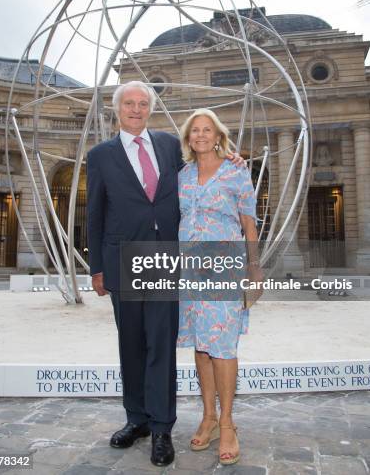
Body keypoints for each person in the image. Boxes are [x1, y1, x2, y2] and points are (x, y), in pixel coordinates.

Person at [87, 82, 245, 467]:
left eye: (143, 104)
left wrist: (233, 161)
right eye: (130, 104)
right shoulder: (100, 155)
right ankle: (136, 420)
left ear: (150, 109)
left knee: (160, 345)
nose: (137, 110)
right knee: (131, 345)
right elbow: (93, 212)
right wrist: (97, 268)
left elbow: (204, 166)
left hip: (165, 259)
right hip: (123, 257)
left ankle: (161, 428)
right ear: (117, 109)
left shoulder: (169, 145)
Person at [177, 108, 263, 466]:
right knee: (202, 346)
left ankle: (227, 423)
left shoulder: (236, 172)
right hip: (190, 270)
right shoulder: (181, 175)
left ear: (217, 136)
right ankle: (208, 417)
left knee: (223, 347)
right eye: (194, 130)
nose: (200, 135)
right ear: (188, 138)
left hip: (225, 268)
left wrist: (254, 269)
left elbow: (249, 223)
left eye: (206, 129)